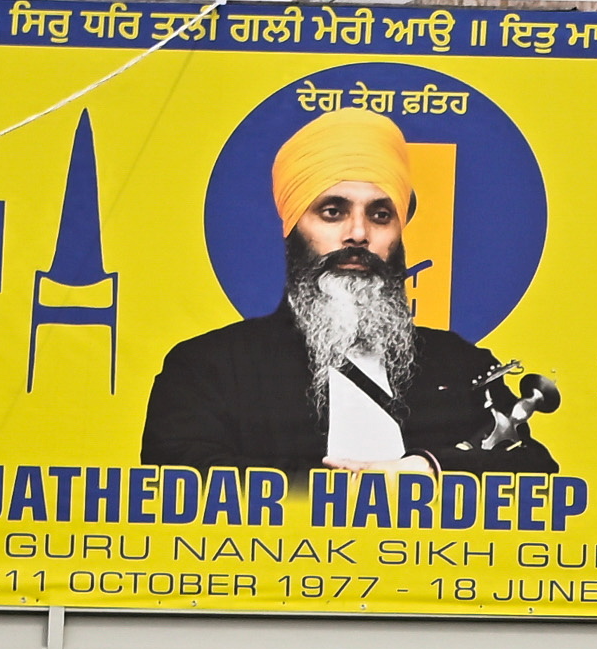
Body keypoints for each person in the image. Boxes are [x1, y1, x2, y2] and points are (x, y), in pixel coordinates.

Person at [139, 106, 574, 477]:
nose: (358, 234)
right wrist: (351, 491)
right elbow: (176, 470)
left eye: (381, 215)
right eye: (332, 212)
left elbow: (536, 471)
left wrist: (429, 469)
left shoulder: (458, 364)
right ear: (294, 229)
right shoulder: (211, 366)